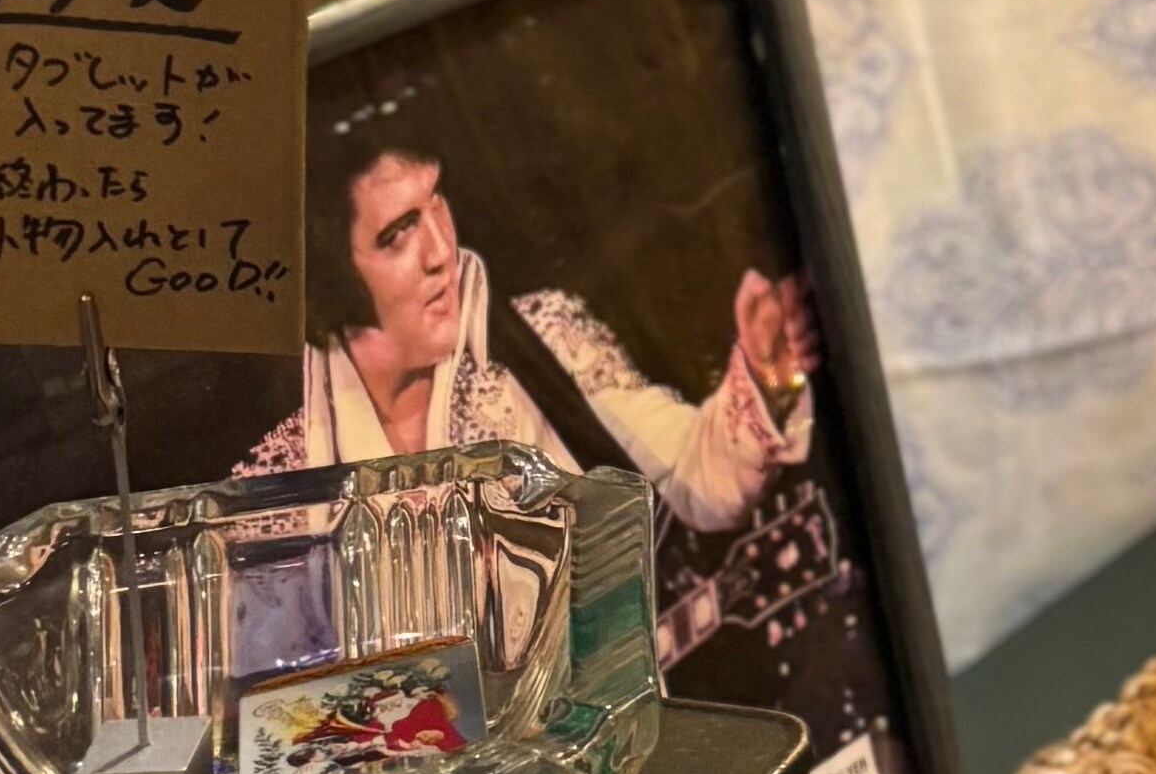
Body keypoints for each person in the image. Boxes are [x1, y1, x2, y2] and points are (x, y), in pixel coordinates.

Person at [241, 111, 820, 527]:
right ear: (333, 273)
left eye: (436, 202)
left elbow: (691, 477)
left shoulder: (544, 335)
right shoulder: (279, 485)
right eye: (398, 233)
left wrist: (767, 376)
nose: (442, 250)